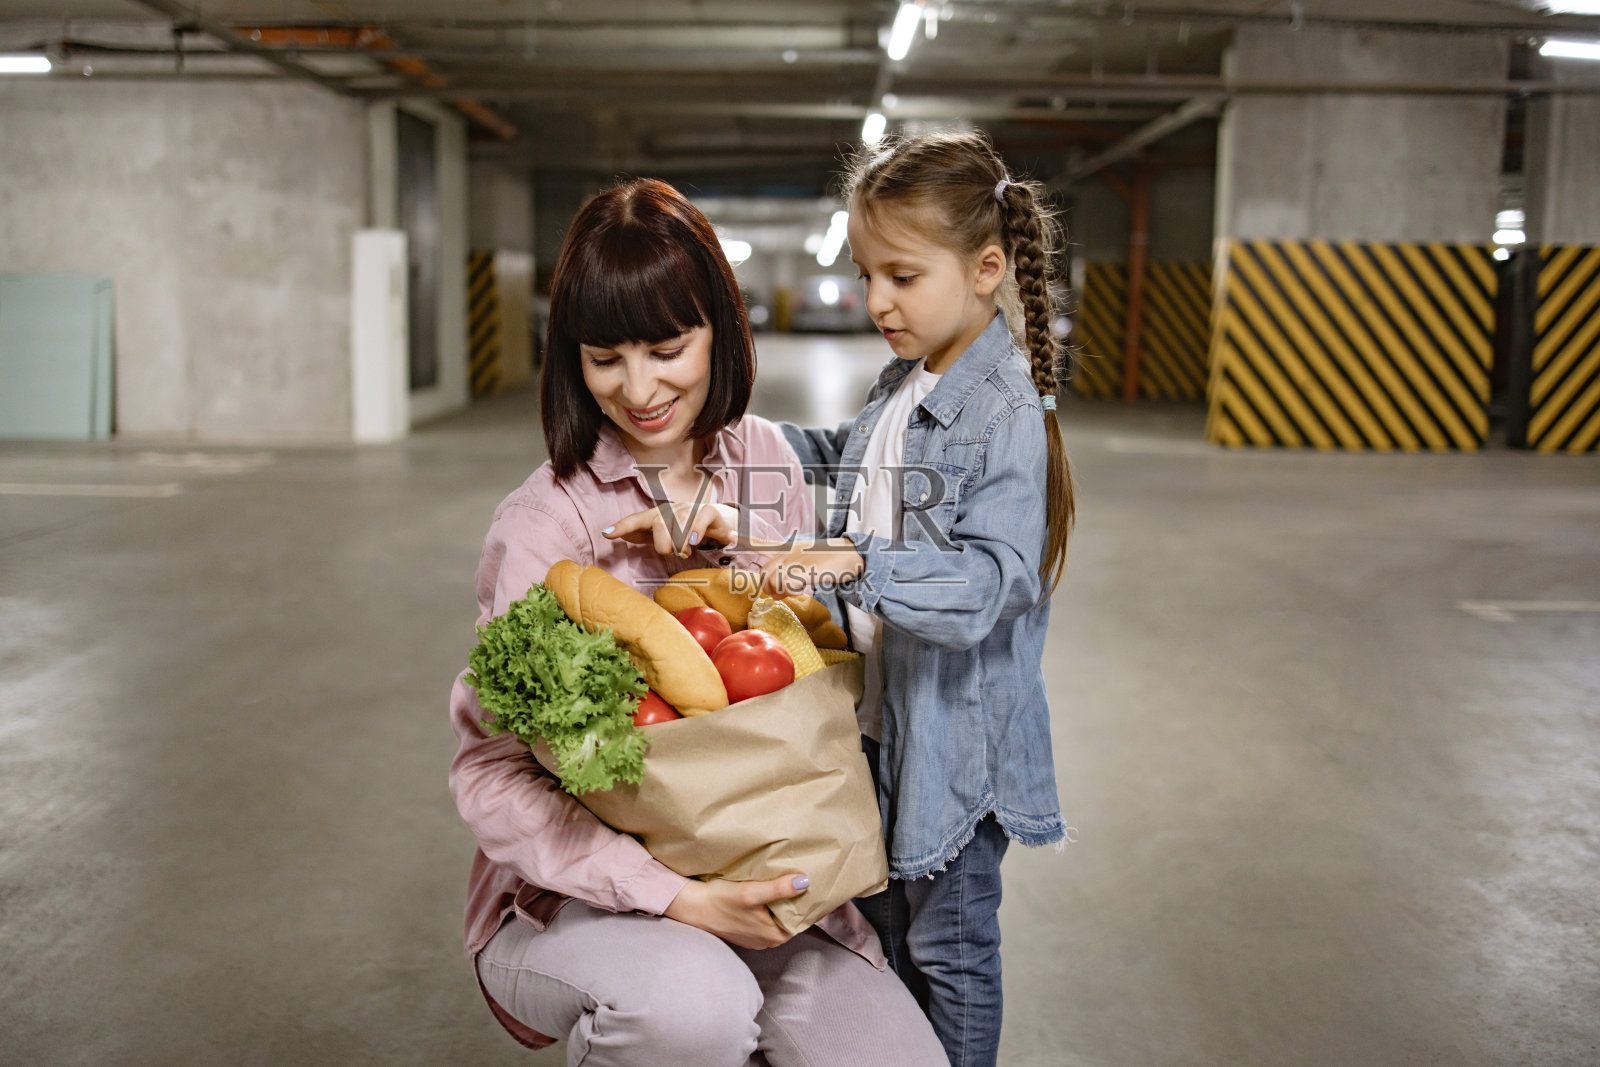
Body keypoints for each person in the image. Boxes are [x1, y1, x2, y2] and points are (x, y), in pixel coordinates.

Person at [446, 177, 946, 1067]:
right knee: (695, 1007)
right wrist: (675, 898)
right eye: (605, 358)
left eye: (668, 347)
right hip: (576, 900)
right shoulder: (547, 523)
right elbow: (491, 773)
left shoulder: (759, 459)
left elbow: (797, 659)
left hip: (754, 867)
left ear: (720, 326)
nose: (639, 388)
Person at [751, 131, 1075, 1067]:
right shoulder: (905, 381)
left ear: (986, 268)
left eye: (901, 274)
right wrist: (735, 429)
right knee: (884, 934)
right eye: (866, 274)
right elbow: (832, 459)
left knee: (950, 948)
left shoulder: (1005, 408)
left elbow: (990, 584)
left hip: (956, 750)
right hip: (888, 724)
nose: (876, 301)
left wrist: (855, 563)